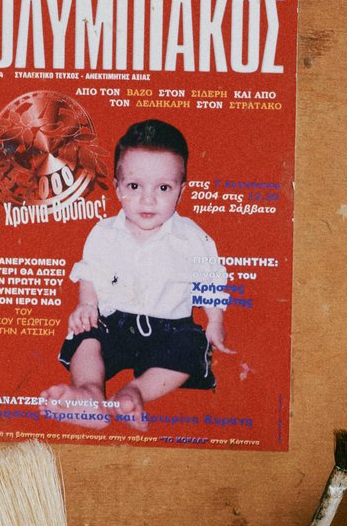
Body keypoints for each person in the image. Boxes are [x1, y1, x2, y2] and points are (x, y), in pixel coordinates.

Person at [57, 118, 228, 425]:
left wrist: (215, 320)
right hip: (114, 323)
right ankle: (90, 392)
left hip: (169, 330)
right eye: (135, 186)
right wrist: (86, 304)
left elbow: (210, 281)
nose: (148, 199)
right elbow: (91, 273)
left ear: (181, 191)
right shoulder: (104, 232)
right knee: (87, 337)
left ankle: (134, 393)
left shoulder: (192, 237)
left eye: (163, 187)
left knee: (191, 346)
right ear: (118, 187)